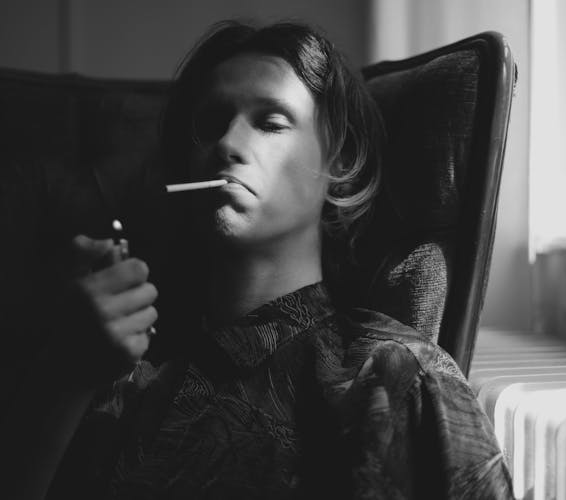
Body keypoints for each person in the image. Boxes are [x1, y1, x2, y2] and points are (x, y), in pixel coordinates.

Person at [3, 20, 513, 500]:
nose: (226, 144)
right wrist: (63, 372)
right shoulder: (114, 373)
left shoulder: (393, 379)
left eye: (270, 122)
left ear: (340, 159)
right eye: (210, 123)